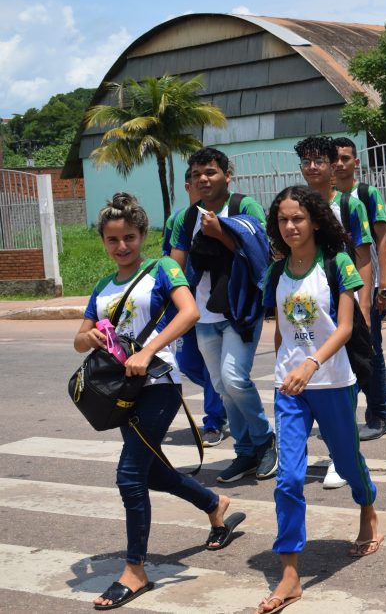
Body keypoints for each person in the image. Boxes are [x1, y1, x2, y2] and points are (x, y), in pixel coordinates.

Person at [76, 193, 238, 611]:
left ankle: (136, 570)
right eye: (113, 240)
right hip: (122, 393)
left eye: (129, 237)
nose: (122, 246)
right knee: (151, 472)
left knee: (130, 475)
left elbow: (188, 314)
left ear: (142, 235)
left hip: (160, 384)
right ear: (104, 242)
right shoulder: (102, 286)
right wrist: (90, 336)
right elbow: (79, 339)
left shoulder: (162, 268)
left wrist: (148, 352)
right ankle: (213, 502)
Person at [257, 185, 382, 614]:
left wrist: (310, 364)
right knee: (288, 478)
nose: (290, 226)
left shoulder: (338, 263)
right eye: (283, 220)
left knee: (347, 463)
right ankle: (290, 573)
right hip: (289, 388)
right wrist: (283, 370)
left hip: (332, 381)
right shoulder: (276, 272)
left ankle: (368, 508)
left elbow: (345, 327)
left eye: (298, 218)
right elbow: (280, 331)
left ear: (313, 221)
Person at [170, 147, 276, 484]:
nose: (204, 178)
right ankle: (245, 450)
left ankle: (264, 439)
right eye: (198, 173)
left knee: (234, 378)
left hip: (241, 308)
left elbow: (261, 252)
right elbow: (176, 267)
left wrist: (221, 234)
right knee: (220, 385)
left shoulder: (244, 206)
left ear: (227, 176)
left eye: (211, 172)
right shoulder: (187, 217)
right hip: (202, 314)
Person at [295, 135, 375, 490]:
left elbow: (363, 257)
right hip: (307, 309)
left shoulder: (349, 205)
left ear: (332, 166)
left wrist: (366, 304)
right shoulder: (293, 205)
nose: (312, 167)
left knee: (345, 381)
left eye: (319, 161)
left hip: (344, 306)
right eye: (306, 161)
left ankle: (340, 457)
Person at [332, 137, 386, 441]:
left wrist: (382, 286)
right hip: (336, 291)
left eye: (346, 158)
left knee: (372, 351)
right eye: (336, 159)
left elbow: (380, 239)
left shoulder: (366, 194)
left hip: (364, 289)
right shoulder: (323, 199)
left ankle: (378, 414)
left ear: (356, 162)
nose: (340, 164)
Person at [162, 167, 227, 446]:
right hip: (184, 302)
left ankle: (214, 421)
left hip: (215, 304)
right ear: (187, 186)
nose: (201, 185)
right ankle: (224, 392)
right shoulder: (178, 220)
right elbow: (168, 258)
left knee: (214, 365)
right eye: (194, 182)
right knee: (188, 362)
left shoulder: (222, 215)